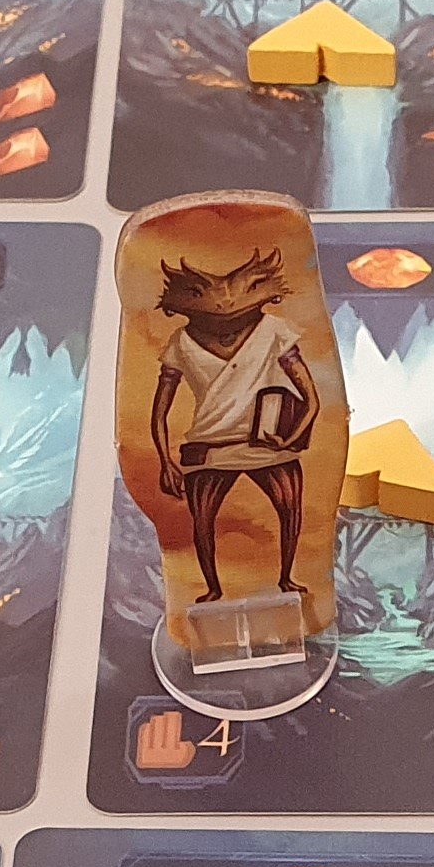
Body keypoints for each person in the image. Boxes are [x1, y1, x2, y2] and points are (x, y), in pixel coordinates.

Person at [145, 246, 320, 603]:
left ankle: (287, 579)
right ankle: (213, 589)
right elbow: (159, 411)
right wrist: (165, 461)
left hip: (266, 446)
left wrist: (291, 439)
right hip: (208, 447)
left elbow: (311, 400)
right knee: (202, 522)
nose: (224, 305)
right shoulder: (181, 342)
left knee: (289, 512)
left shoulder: (274, 331)